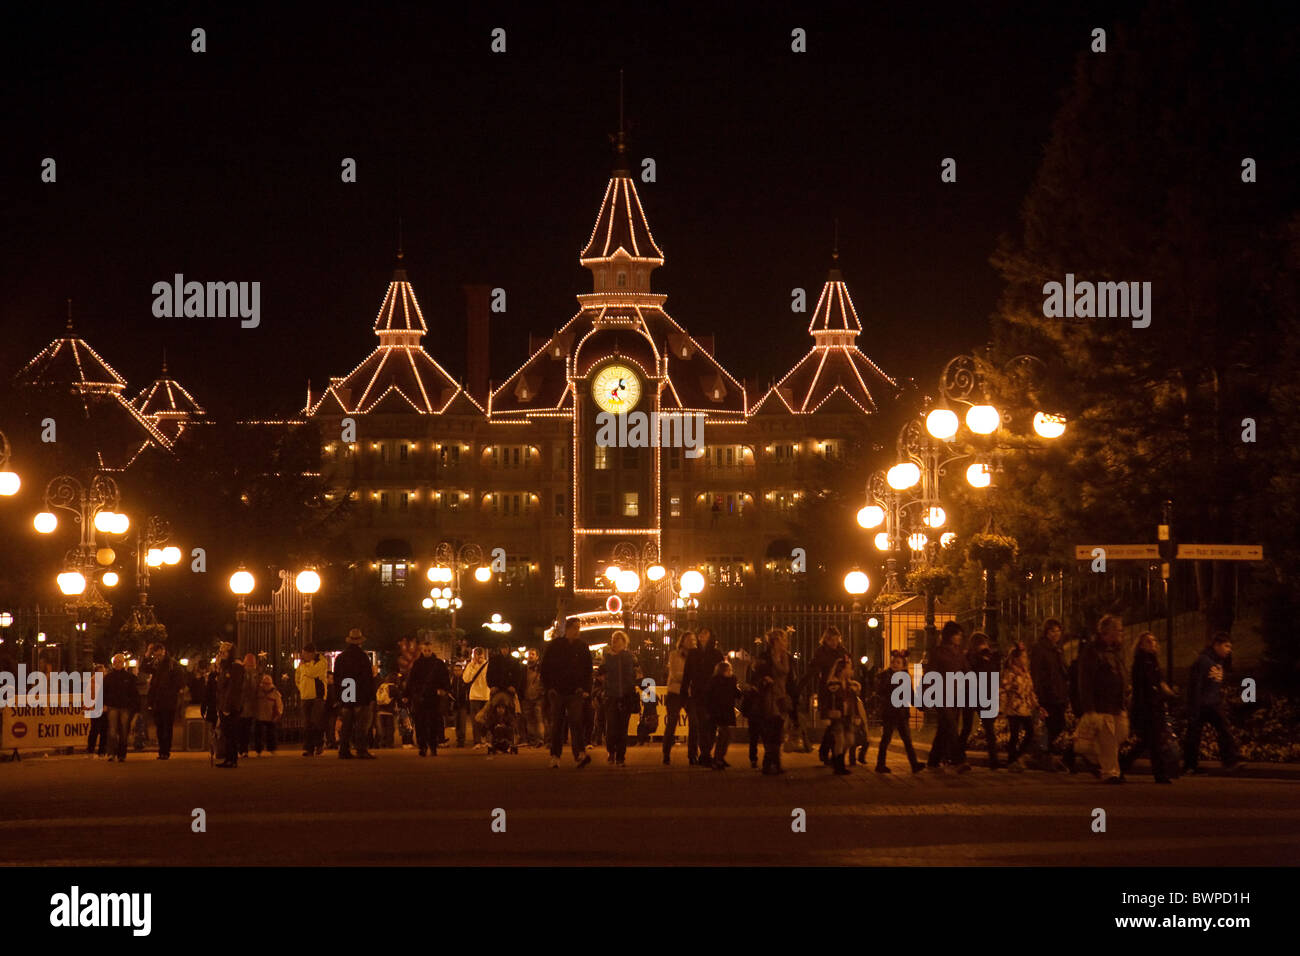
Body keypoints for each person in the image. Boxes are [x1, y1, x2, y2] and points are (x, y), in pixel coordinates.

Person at [1076, 614, 1128, 783]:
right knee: (1108, 739)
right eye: (1118, 629)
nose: (1121, 633)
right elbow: (1086, 681)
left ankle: (1096, 759)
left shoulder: (1115, 650)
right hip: (1102, 703)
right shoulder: (1092, 651)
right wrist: (1089, 708)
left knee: (1121, 734)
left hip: (1117, 703)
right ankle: (1111, 772)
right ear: (1108, 631)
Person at [1184, 632, 1244, 774]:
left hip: (1212, 703)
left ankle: (1230, 760)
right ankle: (1190, 765)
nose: (1229, 649)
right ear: (1216, 645)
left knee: (1222, 729)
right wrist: (1194, 706)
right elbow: (1195, 685)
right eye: (1226, 646)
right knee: (1196, 734)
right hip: (1203, 704)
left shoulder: (1218, 662)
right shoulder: (1203, 661)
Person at [1123, 631, 1178, 783]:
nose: (1152, 643)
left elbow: (1159, 682)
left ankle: (1122, 765)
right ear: (1140, 645)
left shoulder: (1153, 661)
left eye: (1153, 640)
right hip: (1148, 707)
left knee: (1147, 742)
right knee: (1153, 742)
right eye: (1148, 641)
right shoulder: (1140, 663)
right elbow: (1142, 688)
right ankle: (1160, 775)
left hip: (1154, 706)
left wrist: (1170, 694)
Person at [540, 616, 593, 768]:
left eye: (579, 628)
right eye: (575, 628)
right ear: (568, 629)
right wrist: (549, 687)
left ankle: (580, 754)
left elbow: (588, 670)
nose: (578, 631)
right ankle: (555, 755)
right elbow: (545, 668)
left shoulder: (582, 647)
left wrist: (585, 689)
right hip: (558, 691)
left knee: (576, 722)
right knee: (557, 724)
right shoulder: (556, 645)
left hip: (575, 692)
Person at [924, 621, 969, 773]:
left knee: (944, 728)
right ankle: (958, 760)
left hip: (956, 696)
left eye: (961, 636)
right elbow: (930, 674)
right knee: (951, 727)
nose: (959, 638)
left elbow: (967, 671)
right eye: (957, 635)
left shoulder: (959, 654)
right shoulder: (938, 653)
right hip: (941, 695)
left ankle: (933, 759)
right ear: (950, 636)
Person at [1030, 618, 1072, 770]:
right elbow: (1035, 672)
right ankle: (1046, 757)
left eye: (1058, 630)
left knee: (1058, 725)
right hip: (1047, 694)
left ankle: (1048, 756)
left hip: (1059, 693)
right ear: (1046, 632)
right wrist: (1037, 694)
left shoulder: (1057, 649)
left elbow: (1062, 670)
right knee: (1050, 726)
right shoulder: (1040, 648)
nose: (1056, 634)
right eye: (1053, 630)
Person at [752, 627, 793, 775]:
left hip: (782, 695)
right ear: (775, 641)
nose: (785, 643)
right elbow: (755, 675)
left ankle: (771, 763)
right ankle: (771, 763)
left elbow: (790, 679)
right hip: (769, 696)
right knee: (771, 730)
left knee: (779, 731)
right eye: (783, 639)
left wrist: (794, 696)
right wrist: (764, 679)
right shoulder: (765, 656)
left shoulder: (787, 657)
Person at [875, 649, 923, 773]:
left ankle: (914, 764)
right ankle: (880, 764)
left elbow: (910, 694)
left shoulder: (906, 677)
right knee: (886, 738)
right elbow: (881, 691)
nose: (895, 664)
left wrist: (919, 704)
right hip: (890, 712)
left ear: (903, 665)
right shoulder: (886, 676)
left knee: (907, 739)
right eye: (894, 662)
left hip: (902, 712)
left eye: (898, 662)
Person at [682, 626, 724, 766]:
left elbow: (721, 674)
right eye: (700, 632)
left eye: (705, 632)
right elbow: (687, 674)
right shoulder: (693, 653)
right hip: (698, 693)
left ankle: (706, 752)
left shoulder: (717, 654)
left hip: (713, 694)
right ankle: (705, 754)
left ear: (711, 636)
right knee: (701, 724)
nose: (702, 635)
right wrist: (684, 693)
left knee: (711, 725)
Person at [959, 632, 1000, 770]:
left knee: (989, 729)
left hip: (984, 696)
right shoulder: (968, 657)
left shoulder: (990, 657)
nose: (984, 646)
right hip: (970, 696)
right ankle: (959, 756)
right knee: (966, 727)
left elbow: (994, 674)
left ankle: (994, 761)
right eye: (982, 643)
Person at [335, 627, 377, 759]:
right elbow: (367, 678)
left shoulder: (341, 657)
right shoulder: (363, 657)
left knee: (347, 723)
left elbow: (337, 678)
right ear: (360, 642)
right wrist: (370, 695)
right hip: (360, 692)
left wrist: (338, 695)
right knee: (361, 723)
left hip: (347, 690)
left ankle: (344, 749)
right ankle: (361, 749)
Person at [812, 626, 849, 764]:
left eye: (836, 639)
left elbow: (848, 666)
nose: (834, 642)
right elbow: (816, 669)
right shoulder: (821, 652)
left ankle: (828, 752)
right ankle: (832, 754)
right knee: (833, 722)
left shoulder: (842, 651)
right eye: (831, 640)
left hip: (840, 688)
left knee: (835, 723)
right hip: (827, 689)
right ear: (826, 640)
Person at [601, 630, 638, 765]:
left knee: (623, 728)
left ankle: (621, 756)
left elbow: (639, 674)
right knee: (611, 727)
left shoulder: (630, 657)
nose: (615, 642)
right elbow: (600, 675)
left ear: (624, 642)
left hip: (626, 697)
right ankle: (611, 751)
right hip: (611, 696)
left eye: (618, 639)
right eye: (614, 640)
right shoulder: (607, 658)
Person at [1002, 642, 1041, 770]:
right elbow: (1004, 687)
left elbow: (1030, 690)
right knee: (1014, 735)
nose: (1026, 660)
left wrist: (1037, 705)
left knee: (1030, 732)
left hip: (1025, 708)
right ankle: (1011, 761)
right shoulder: (1010, 672)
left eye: (1026, 657)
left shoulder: (1026, 673)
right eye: (1023, 657)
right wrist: (1013, 687)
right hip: (1013, 707)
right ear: (1016, 659)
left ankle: (1017, 756)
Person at [661, 631, 697, 765]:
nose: (692, 642)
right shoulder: (674, 655)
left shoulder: (696, 656)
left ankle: (693, 755)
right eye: (688, 639)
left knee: (694, 723)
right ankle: (666, 753)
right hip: (675, 693)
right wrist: (691, 677)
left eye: (693, 639)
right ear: (682, 641)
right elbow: (676, 674)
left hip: (690, 694)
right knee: (671, 722)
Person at [145, 645, 184, 760]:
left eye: (159, 654)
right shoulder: (155, 664)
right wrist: (147, 655)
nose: (157, 656)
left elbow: (179, 682)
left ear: (163, 651)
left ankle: (165, 751)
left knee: (167, 726)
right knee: (160, 727)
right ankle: (162, 750)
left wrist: (172, 692)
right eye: (155, 654)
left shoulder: (172, 665)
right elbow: (144, 668)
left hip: (168, 700)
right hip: (158, 700)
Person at [213, 642, 246, 768]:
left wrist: (227, 706)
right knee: (226, 733)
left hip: (230, 706)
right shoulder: (226, 667)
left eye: (223, 652)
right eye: (220, 652)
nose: (221, 654)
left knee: (231, 733)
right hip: (223, 704)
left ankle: (232, 759)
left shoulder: (236, 667)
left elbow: (233, 688)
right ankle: (229, 758)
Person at [821, 657, 855, 775]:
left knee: (850, 740)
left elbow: (852, 700)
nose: (851, 670)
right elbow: (828, 699)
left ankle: (836, 758)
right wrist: (827, 713)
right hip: (838, 716)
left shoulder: (849, 683)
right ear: (842, 669)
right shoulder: (834, 683)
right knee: (840, 740)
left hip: (847, 716)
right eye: (849, 667)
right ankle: (839, 766)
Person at [485, 643, 521, 752]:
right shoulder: (494, 660)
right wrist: (492, 686)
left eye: (506, 648)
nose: (504, 650)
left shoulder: (514, 661)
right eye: (502, 648)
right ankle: (493, 738)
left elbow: (518, 676)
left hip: (509, 691)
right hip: (497, 690)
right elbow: (489, 675)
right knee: (493, 711)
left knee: (510, 712)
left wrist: (514, 687)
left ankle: (510, 738)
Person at [704, 659, 739, 769]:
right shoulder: (715, 682)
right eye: (727, 670)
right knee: (724, 734)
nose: (729, 672)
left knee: (726, 735)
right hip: (718, 711)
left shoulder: (731, 681)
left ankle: (720, 757)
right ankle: (717, 758)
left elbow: (737, 694)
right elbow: (709, 697)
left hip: (727, 710)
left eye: (730, 670)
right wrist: (709, 711)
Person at [104, 653, 138, 763]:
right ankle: (111, 753)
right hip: (112, 706)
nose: (118, 664)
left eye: (120, 662)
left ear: (123, 663)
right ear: (113, 664)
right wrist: (104, 704)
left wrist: (134, 708)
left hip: (125, 707)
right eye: (116, 662)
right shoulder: (109, 677)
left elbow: (134, 693)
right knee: (112, 731)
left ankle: (121, 754)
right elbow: (104, 692)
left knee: (124, 731)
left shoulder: (129, 677)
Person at [296, 643, 329, 756]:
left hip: (317, 696)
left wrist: (304, 667)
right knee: (307, 723)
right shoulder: (303, 664)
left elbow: (312, 673)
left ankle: (319, 744)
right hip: (305, 696)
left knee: (316, 722)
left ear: (311, 653)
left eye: (305, 654)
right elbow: (298, 677)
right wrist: (301, 688)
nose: (303, 656)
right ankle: (309, 748)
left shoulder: (321, 661)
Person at [461, 647, 491, 748]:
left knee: (487, 718)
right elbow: (466, 679)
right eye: (476, 654)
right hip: (474, 696)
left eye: (480, 654)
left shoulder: (488, 665)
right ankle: (477, 741)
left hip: (486, 695)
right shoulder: (471, 665)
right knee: (475, 720)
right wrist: (473, 666)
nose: (478, 657)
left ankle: (487, 739)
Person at [519, 647, 546, 747]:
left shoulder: (540, 669)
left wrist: (542, 692)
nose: (530, 656)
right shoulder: (523, 669)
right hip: (526, 697)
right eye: (529, 654)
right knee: (529, 719)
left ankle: (540, 739)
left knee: (539, 718)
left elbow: (544, 681)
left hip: (538, 697)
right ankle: (533, 739)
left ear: (537, 657)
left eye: (532, 654)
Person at [254, 673, 283, 755]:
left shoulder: (275, 693)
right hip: (259, 715)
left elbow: (279, 703)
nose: (266, 685)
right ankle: (258, 749)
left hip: (270, 716)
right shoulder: (258, 691)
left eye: (268, 683)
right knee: (258, 734)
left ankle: (271, 748)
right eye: (264, 683)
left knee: (271, 733)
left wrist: (279, 714)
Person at [237, 653, 259, 758]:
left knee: (243, 728)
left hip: (245, 705)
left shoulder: (247, 673)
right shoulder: (253, 674)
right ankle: (243, 749)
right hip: (246, 705)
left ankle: (243, 749)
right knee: (244, 728)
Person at [85, 664, 109, 758]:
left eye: (103, 672)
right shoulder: (92, 681)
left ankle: (101, 751)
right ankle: (91, 750)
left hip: (104, 708)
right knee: (94, 730)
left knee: (104, 730)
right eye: (100, 672)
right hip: (95, 708)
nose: (102, 673)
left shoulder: (106, 681)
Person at [374, 667, 398, 749]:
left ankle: (382, 742)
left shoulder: (382, 686)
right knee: (390, 728)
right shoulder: (393, 687)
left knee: (382, 728)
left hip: (380, 709)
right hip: (389, 710)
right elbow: (397, 698)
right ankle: (389, 743)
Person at [449, 661, 472, 747]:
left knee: (462, 722)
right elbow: (450, 690)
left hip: (463, 704)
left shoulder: (464, 680)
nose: (456, 672)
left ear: (462, 671)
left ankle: (461, 740)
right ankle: (458, 738)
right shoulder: (452, 680)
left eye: (458, 670)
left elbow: (467, 691)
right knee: (457, 723)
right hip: (455, 704)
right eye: (455, 670)